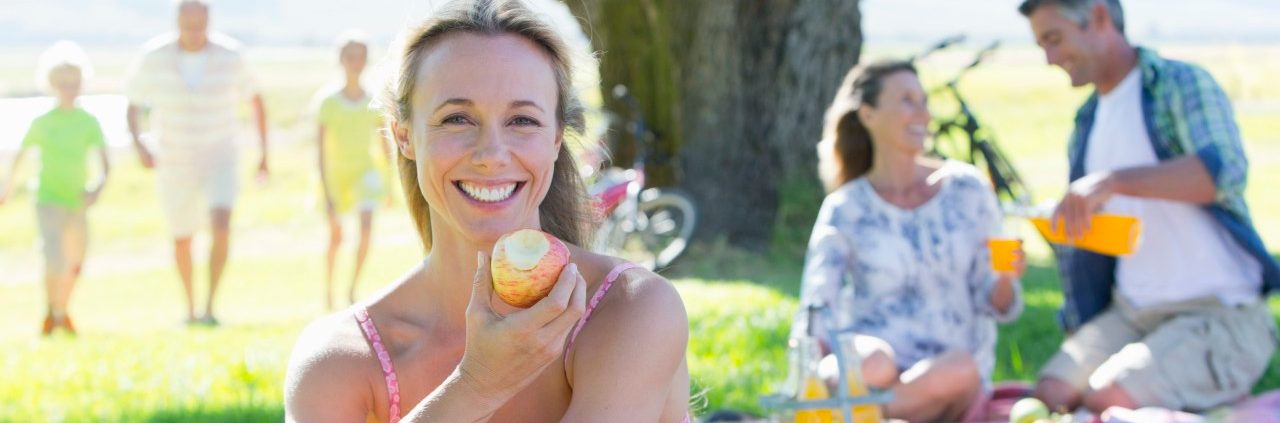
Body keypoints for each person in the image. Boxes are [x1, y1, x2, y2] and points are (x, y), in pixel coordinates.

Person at [283, 1, 691, 421]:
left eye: (522, 121)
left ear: (555, 139)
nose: (492, 155)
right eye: (457, 118)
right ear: (403, 136)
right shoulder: (340, 362)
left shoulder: (629, 309)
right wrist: (476, 385)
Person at [1018, 0, 1280, 414]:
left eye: (1054, 39)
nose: (1050, 59)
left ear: (1100, 17)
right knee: (1051, 394)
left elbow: (1224, 172)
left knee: (1106, 400)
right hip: (1131, 311)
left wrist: (1115, 181)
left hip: (1218, 311)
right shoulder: (1087, 121)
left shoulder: (1179, 83)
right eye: (1041, 46)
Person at [792, 60, 1026, 422]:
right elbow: (816, 303)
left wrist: (1007, 277)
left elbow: (995, 302)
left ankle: (850, 416)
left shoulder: (967, 188)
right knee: (872, 362)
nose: (923, 113)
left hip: (949, 378)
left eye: (924, 100)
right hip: (873, 370)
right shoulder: (846, 206)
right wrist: (812, 364)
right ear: (868, 115)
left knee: (959, 369)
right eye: (906, 100)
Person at [124, 0, 270, 325]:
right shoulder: (154, 56)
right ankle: (189, 309)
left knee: (221, 224)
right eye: (187, 24)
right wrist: (139, 145)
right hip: (174, 157)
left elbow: (256, 100)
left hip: (220, 154)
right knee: (182, 236)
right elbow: (132, 104)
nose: (193, 31)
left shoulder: (231, 56)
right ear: (177, 21)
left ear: (209, 20)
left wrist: (263, 154)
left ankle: (210, 306)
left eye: (199, 23)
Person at [0, 41, 110, 336]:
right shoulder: (42, 122)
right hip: (47, 199)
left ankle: (60, 309)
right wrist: (6, 188)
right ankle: (54, 312)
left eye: (73, 82)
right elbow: (20, 155)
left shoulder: (88, 122)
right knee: (55, 259)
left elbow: (105, 163)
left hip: (77, 201)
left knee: (76, 262)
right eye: (62, 83)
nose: (68, 88)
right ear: (51, 84)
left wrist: (97, 188)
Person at [313, 31, 393, 310]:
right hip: (335, 178)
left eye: (360, 56)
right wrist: (325, 190)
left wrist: (390, 185)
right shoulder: (328, 102)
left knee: (367, 228)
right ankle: (328, 291)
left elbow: (384, 146)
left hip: (366, 175)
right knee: (336, 237)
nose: (356, 62)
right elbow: (320, 152)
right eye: (350, 56)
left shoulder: (374, 101)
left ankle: (352, 289)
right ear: (341, 60)